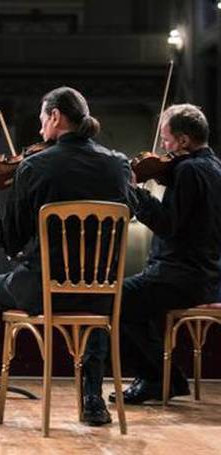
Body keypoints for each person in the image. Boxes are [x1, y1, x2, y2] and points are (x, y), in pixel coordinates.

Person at [0, 87, 131, 426]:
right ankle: (93, 401)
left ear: (54, 116)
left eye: (42, 121)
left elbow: (8, 239)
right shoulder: (118, 165)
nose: (39, 132)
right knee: (91, 289)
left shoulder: (36, 167)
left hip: (42, 290)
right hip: (102, 294)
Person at [109, 104, 221, 404]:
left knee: (112, 300)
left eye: (167, 139)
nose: (163, 148)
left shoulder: (188, 170)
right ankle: (159, 377)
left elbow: (168, 225)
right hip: (204, 275)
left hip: (179, 276)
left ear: (184, 141)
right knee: (136, 305)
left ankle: (161, 378)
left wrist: (137, 192)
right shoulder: (214, 168)